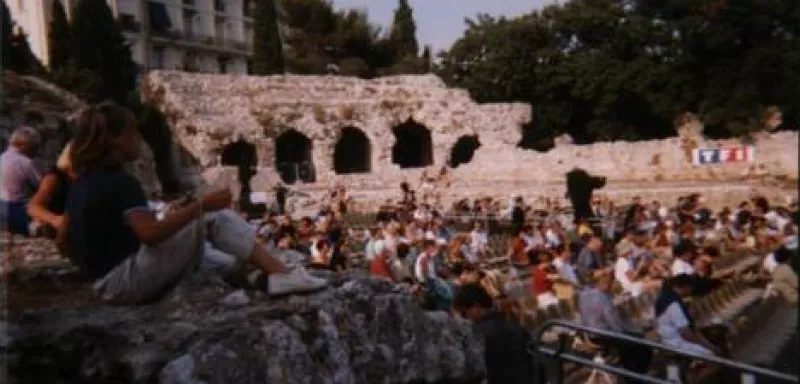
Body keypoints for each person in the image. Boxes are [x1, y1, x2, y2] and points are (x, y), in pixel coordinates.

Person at [64, 102, 327, 304]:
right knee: (211, 218)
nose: (139, 139)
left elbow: (63, 239)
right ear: (115, 139)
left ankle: (257, 277)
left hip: (104, 283)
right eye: (133, 132)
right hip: (123, 283)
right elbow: (150, 234)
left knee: (213, 257)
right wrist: (200, 206)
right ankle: (281, 273)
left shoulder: (81, 183)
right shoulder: (120, 182)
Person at [453, 283, 548, 384]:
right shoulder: (516, 328)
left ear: (476, 307)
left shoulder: (476, 335)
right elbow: (538, 367)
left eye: (463, 313)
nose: (463, 318)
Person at [579, 273, 653, 383]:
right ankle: (635, 376)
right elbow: (614, 325)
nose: (610, 286)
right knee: (641, 344)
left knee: (630, 338)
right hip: (602, 335)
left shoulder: (584, 294)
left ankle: (628, 369)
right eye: (609, 283)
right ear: (604, 284)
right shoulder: (604, 298)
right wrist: (631, 332)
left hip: (588, 334)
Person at [654, 274, 722, 383]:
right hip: (676, 343)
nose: (691, 291)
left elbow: (692, 329)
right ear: (686, 287)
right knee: (716, 362)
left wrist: (708, 345)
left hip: (669, 340)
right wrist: (706, 345)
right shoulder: (673, 303)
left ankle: (691, 373)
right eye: (691, 288)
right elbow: (685, 333)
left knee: (708, 350)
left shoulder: (665, 296)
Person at [0, 126, 42, 236]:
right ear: (25, 146)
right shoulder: (27, 163)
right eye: (35, 147)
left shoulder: (2, 158)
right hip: (16, 209)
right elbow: (41, 186)